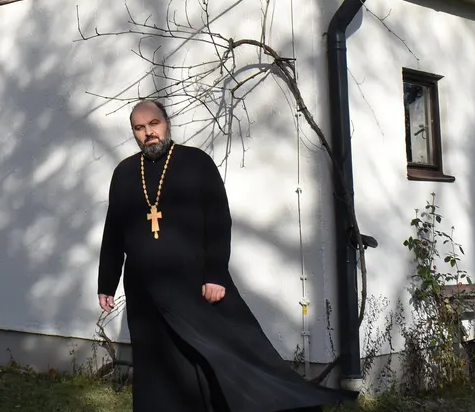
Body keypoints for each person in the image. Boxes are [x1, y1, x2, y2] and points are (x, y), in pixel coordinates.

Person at [97, 99, 349, 411]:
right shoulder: (123, 174)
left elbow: (219, 222)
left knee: (212, 355)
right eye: (139, 128)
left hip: (192, 284)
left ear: (166, 123)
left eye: (154, 124)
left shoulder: (196, 163)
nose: (148, 133)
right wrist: (107, 282)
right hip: (143, 290)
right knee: (154, 363)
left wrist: (214, 274)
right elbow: (114, 231)